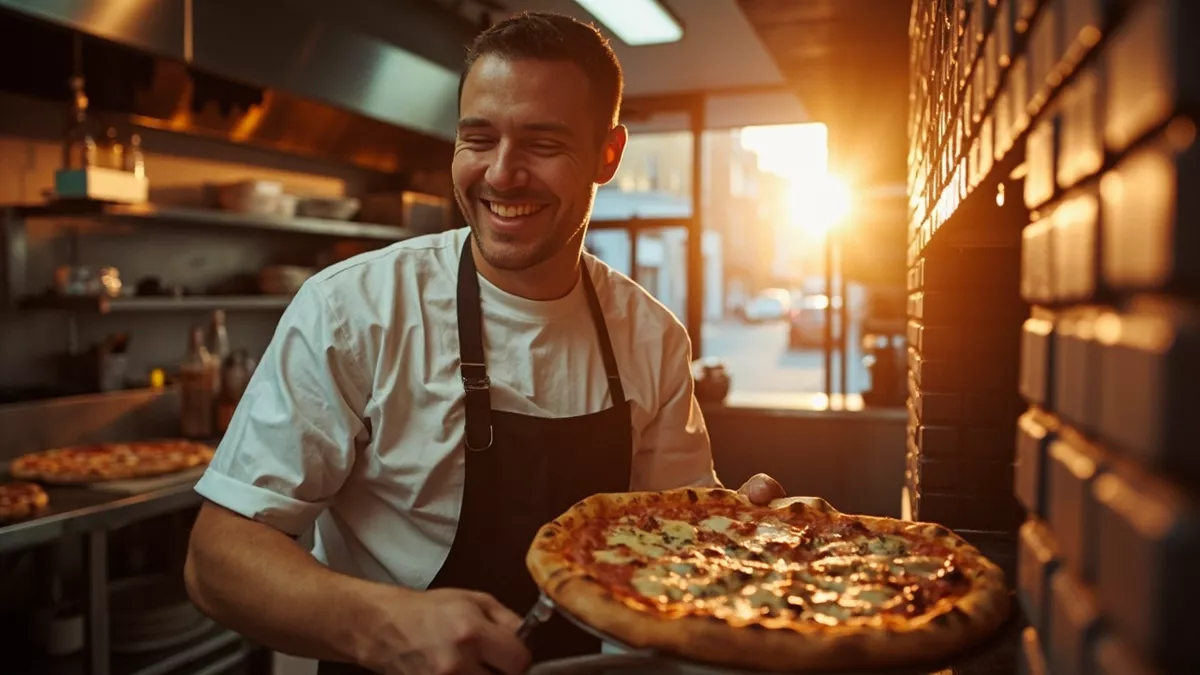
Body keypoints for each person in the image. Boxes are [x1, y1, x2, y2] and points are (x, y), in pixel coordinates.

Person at [183, 11, 786, 675]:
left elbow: (677, 539)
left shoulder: (651, 336)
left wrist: (739, 534)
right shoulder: (354, 309)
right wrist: (382, 623)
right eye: (478, 138)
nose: (501, 174)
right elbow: (217, 557)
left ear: (607, 156)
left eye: (542, 143)